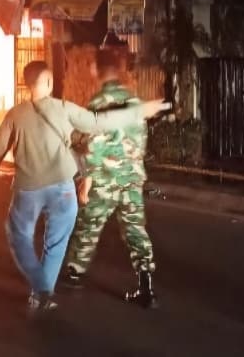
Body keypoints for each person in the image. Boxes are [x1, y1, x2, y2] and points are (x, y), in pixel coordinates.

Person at [0, 60, 170, 314]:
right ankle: (46, 293)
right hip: (97, 184)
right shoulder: (77, 107)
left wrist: (87, 177)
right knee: (73, 240)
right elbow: (114, 129)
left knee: (47, 233)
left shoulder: (18, 115)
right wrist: (139, 113)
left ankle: (56, 282)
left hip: (61, 185)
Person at [62, 48, 164, 307]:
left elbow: (94, 147)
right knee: (135, 230)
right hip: (131, 178)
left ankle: (75, 272)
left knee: (89, 224)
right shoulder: (135, 103)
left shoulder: (97, 104)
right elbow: (140, 143)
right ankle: (146, 287)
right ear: (120, 72)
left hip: (105, 178)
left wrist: (87, 179)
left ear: (96, 71)